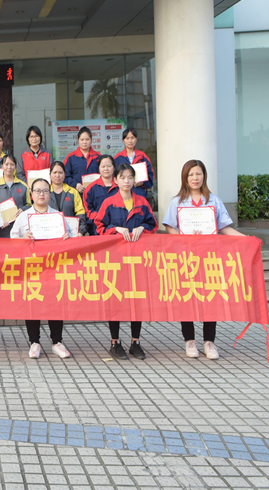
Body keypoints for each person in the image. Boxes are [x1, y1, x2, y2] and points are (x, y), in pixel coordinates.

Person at [162, 159, 245, 360]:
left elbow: (224, 227)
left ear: (204, 176)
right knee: (187, 297)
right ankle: (189, 340)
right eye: (191, 174)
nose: (195, 178)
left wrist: (247, 239)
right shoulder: (177, 202)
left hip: (210, 258)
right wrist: (185, 238)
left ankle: (209, 342)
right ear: (185, 177)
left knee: (210, 297)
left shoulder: (213, 201)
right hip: (186, 258)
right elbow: (169, 226)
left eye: (198, 174)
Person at [95, 163, 157, 361]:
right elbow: (98, 227)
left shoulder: (142, 202)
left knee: (136, 299)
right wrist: (115, 229)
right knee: (115, 298)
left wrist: (143, 228)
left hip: (137, 260)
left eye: (130, 177)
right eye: (122, 177)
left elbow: (153, 224)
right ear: (116, 180)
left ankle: (135, 342)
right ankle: (115, 342)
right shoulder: (109, 203)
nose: (127, 181)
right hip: (115, 259)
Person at [10, 178, 71, 359]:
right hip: (32, 267)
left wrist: (67, 237)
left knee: (55, 302)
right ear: (31, 194)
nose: (41, 194)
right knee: (33, 302)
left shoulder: (57, 216)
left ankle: (56, 342)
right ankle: (34, 342)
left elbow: (70, 238)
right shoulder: (23, 217)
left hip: (54, 267)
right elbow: (12, 239)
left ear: (50, 194)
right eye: (37, 191)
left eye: (45, 190)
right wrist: (23, 239)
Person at [0, 154, 30, 238]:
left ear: (15, 166)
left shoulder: (24, 186)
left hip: (19, 230)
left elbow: (29, 205)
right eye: (6, 164)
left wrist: (23, 209)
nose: (9, 167)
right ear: (2, 166)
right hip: (0, 232)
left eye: (12, 164)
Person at [48, 161, 87, 236]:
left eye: (60, 172)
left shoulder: (73, 192)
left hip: (71, 234)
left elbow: (80, 212)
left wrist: (81, 231)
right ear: (50, 175)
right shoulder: (45, 192)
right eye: (55, 172)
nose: (57, 175)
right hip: (50, 234)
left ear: (65, 174)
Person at [114, 128, 154, 199]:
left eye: (132, 138)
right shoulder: (118, 158)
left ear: (136, 139)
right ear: (123, 140)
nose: (130, 141)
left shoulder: (143, 156)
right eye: (127, 138)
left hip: (139, 194)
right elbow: (113, 177)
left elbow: (151, 175)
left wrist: (143, 183)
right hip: (122, 196)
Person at [83, 154, 118, 235]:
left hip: (118, 229)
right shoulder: (90, 189)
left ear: (114, 167)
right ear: (99, 168)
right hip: (97, 230)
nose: (106, 169)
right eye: (103, 166)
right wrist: (101, 217)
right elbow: (88, 211)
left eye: (109, 166)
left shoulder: (120, 186)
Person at [64, 127, 101, 193]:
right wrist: (75, 184)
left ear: (91, 140)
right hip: (76, 193)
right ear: (78, 140)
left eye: (87, 139)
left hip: (95, 193)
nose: (84, 142)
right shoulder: (71, 157)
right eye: (82, 139)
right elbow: (65, 176)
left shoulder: (98, 157)